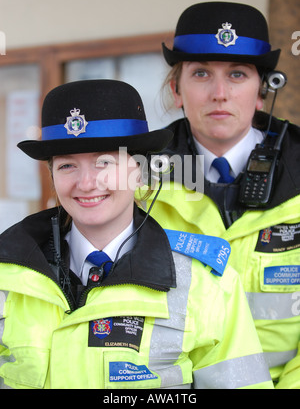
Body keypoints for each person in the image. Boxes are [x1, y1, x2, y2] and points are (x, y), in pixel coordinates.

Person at [0, 79, 273, 389]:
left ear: (139, 170)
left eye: (104, 161)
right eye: (67, 166)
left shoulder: (207, 283)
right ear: (51, 175)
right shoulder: (6, 272)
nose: (87, 183)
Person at [143, 1, 300, 388]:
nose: (219, 93)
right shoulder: (135, 182)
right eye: (200, 74)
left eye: (237, 74)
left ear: (262, 90)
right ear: (176, 90)